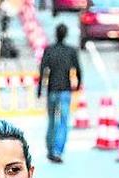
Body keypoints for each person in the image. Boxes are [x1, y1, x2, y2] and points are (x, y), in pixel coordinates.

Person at [36, 23, 81, 164]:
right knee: (63, 122)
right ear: (66, 34)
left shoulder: (49, 50)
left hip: (52, 91)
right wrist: (78, 84)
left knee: (51, 121)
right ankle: (57, 151)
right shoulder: (71, 51)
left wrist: (39, 89)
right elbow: (78, 70)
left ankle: (49, 150)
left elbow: (43, 70)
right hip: (65, 91)